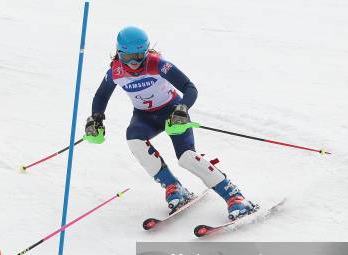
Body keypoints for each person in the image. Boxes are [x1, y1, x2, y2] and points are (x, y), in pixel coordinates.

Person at [84, 26, 256, 219]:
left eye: (139, 56)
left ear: (147, 52)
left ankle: (235, 196)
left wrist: (182, 109)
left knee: (187, 158)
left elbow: (189, 88)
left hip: (172, 114)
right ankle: (174, 187)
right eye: (127, 58)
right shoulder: (115, 71)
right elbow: (101, 95)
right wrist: (95, 118)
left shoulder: (158, 65)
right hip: (144, 117)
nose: (133, 64)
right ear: (119, 54)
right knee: (134, 139)